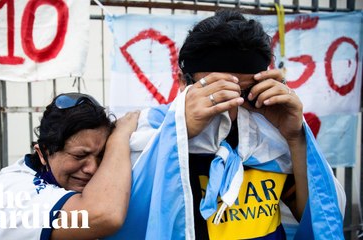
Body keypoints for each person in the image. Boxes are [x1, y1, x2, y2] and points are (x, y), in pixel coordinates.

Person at [107, 9, 345, 240]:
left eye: (246, 93)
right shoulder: (146, 134)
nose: (231, 108)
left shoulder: (272, 132)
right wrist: (177, 137)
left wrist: (295, 138)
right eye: (217, 91)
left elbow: (317, 220)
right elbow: (127, 219)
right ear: (182, 82)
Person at [0, 92, 139, 240]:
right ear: (43, 153)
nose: (92, 169)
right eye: (79, 156)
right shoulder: (12, 192)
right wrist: (119, 138)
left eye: (102, 156)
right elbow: (105, 215)